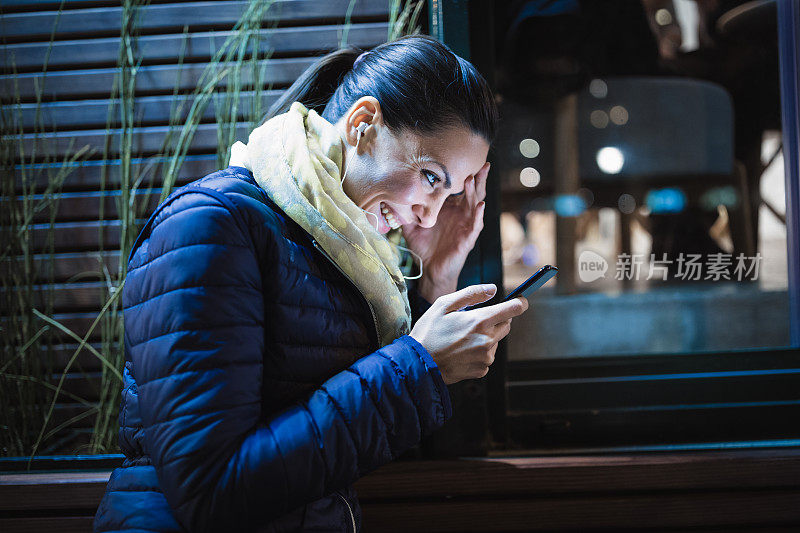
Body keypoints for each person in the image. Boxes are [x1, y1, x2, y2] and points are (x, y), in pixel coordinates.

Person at [93, 34, 528, 533]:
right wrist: (418, 365)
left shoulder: (346, 256)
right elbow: (210, 491)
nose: (429, 217)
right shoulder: (210, 225)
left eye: (449, 193)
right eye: (431, 176)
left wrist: (436, 279)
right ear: (363, 125)